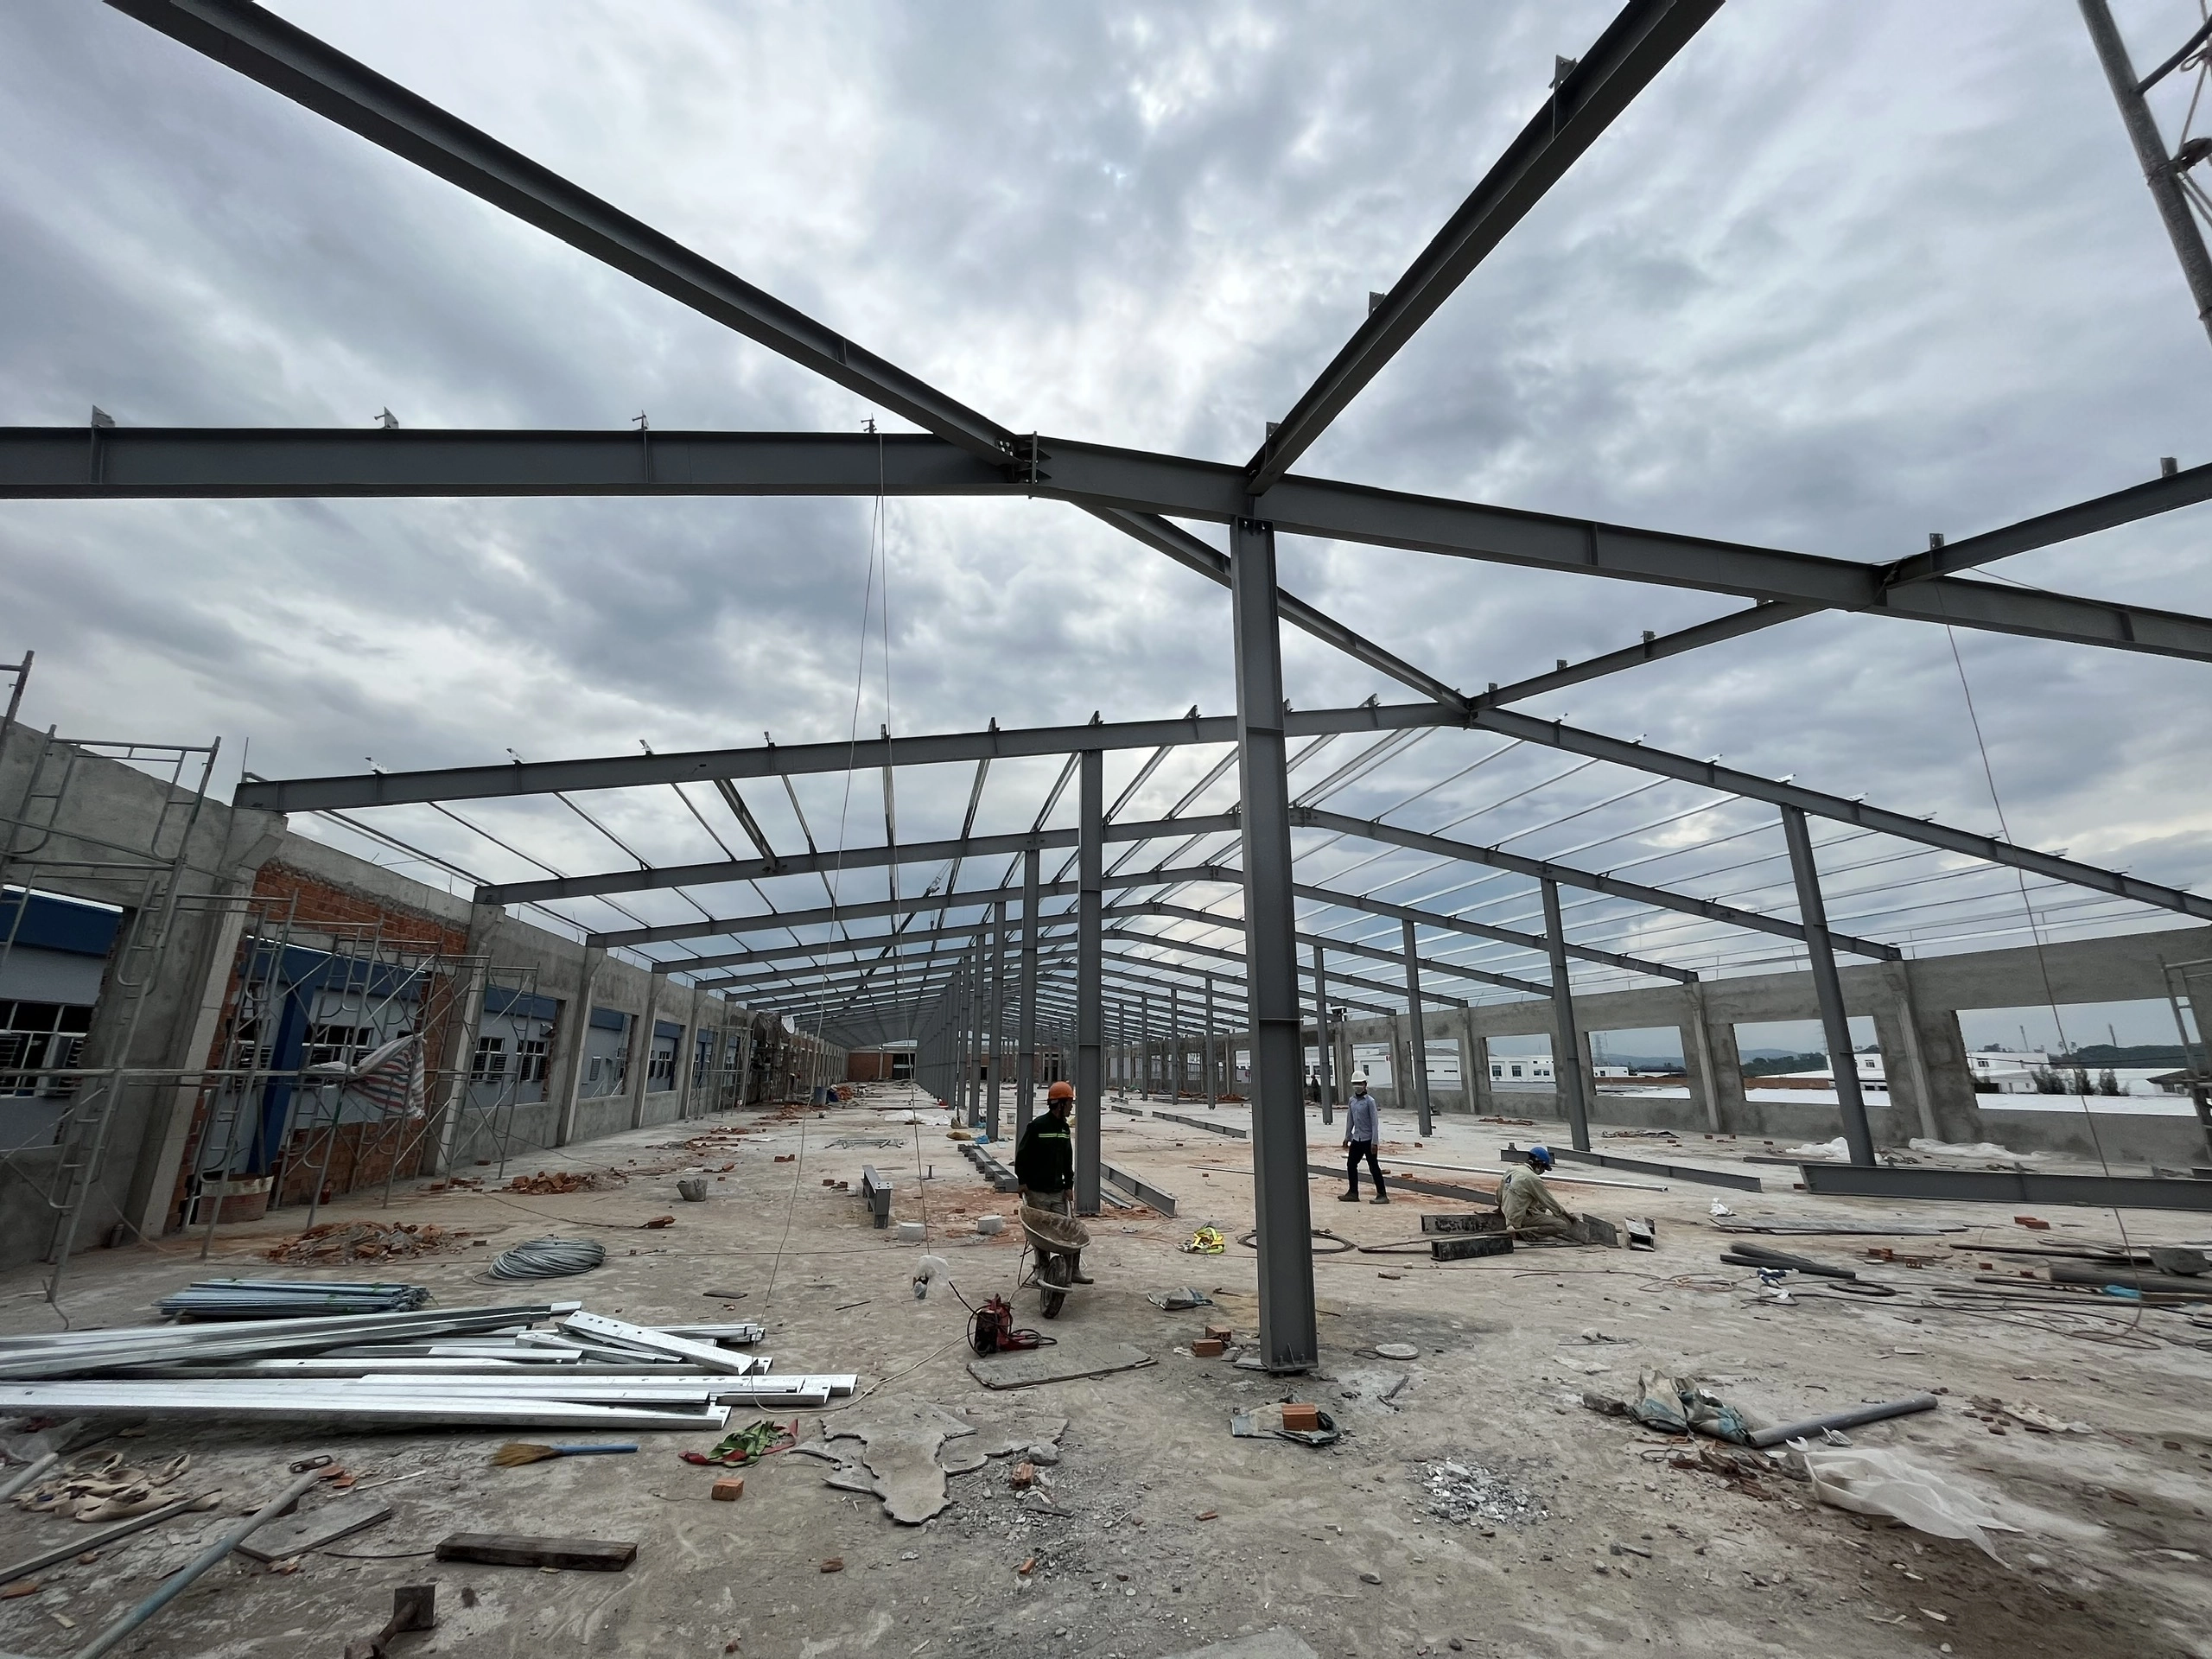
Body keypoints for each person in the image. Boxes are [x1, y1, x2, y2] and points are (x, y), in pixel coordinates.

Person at [1014, 1079, 1090, 1282]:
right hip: (1037, 1191)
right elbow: (1022, 1155)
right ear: (1060, 1103)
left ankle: (1073, 1270)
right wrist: (1022, 1181)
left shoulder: (1064, 1129)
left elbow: (1067, 1160)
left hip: (1057, 1191)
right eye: (1070, 1103)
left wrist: (1069, 1185)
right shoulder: (1038, 1126)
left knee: (1069, 1229)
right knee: (1041, 1233)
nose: (1071, 1107)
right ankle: (1042, 1269)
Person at [1499, 1144, 1576, 1237]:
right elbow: (1549, 1202)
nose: (1543, 1172)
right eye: (1544, 1169)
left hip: (1506, 1212)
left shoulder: (1513, 1169)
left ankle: (1522, 1225)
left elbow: (1500, 1190)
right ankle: (1524, 1233)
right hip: (1518, 1217)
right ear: (1539, 1165)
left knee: (1541, 1205)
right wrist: (1568, 1217)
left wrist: (1499, 1210)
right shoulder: (1533, 1179)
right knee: (1561, 1225)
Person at [1339, 1071, 1387, 1205]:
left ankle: (1382, 1194)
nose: (1357, 1086)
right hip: (1357, 1139)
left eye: (1359, 1083)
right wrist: (1347, 1136)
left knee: (1373, 1167)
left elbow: (1374, 1123)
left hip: (1368, 1140)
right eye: (1355, 1084)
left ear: (1365, 1084)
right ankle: (1353, 1192)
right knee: (1351, 1164)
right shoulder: (1352, 1101)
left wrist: (1375, 1142)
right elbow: (1350, 1120)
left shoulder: (1370, 1102)